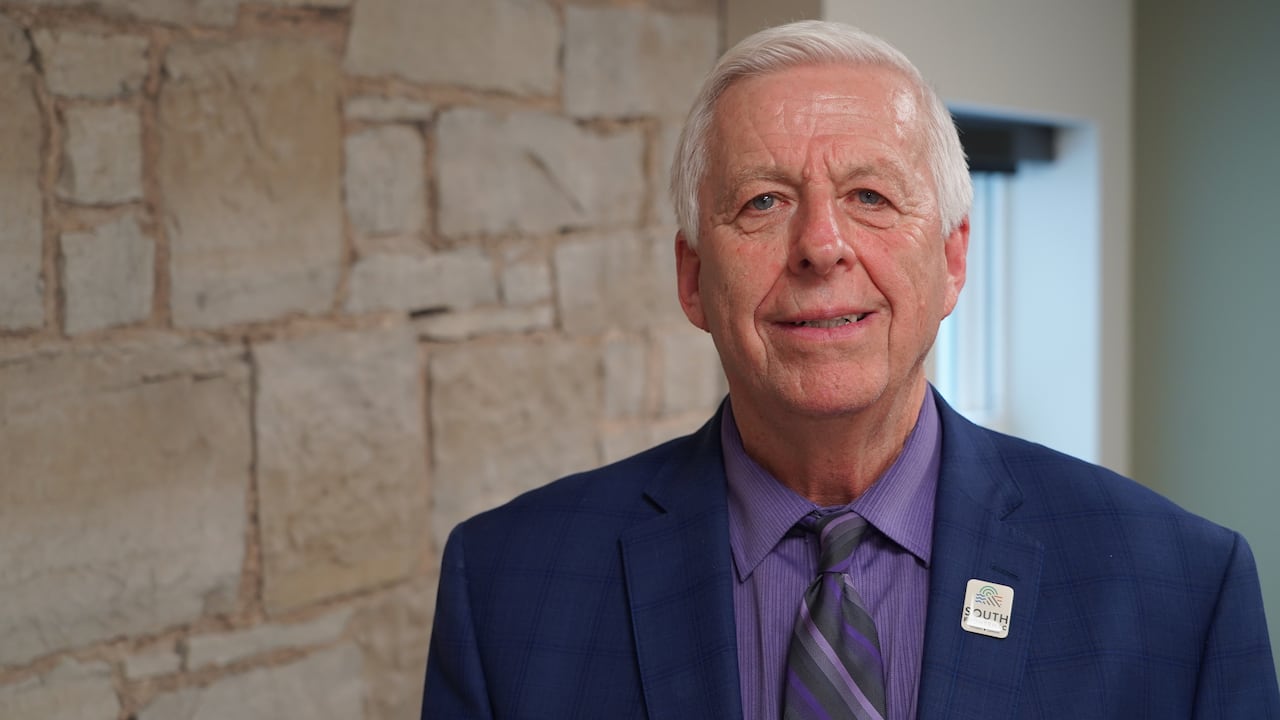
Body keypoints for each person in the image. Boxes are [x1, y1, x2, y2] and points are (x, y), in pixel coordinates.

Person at [421, 20, 1279, 720]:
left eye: (870, 197)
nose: (821, 246)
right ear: (691, 278)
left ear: (952, 262)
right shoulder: (505, 588)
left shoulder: (1182, 594)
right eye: (763, 202)